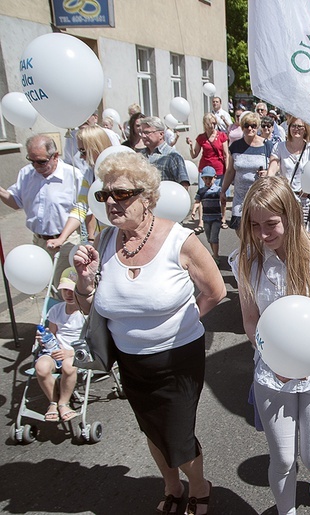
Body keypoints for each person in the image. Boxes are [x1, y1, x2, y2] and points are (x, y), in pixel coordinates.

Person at [72, 151, 225, 515]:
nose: (111, 202)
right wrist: (83, 280)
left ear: (147, 197)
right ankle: (172, 487)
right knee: (151, 429)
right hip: (130, 361)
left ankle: (199, 486)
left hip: (177, 358)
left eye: (121, 194)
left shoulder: (180, 240)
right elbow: (86, 306)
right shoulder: (106, 243)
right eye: (104, 195)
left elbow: (216, 291)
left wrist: (180, 322)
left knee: (176, 434)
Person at [231, 177, 310, 514]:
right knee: (282, 457)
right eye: (254, 225)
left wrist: (304, 357)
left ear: (292, 217)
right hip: (272, 372)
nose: (262, 235)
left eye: (271, 224)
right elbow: (251, 321)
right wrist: (277, 359)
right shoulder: (247, 262)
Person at [0, 135, 83, 290]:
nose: (36, 166)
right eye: (32, 161)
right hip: (39, 242)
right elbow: (16, 202)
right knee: (46, 288)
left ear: (55, 156)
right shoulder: (26, 174)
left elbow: (83, 210)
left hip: (65, 242)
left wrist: (66, 239)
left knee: (64, 289)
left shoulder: (72, 175)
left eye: (41, 162)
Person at [48, 125, 114, 248]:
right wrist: (62, 238)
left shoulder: (119, 171)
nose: (80, 156)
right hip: (104, 237)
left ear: (96, 148)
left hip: (122, 236)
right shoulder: (90, 173)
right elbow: (81, 207)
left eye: (83, 151)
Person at [35, 267, 83, 423]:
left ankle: (64, 403)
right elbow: (52, 334)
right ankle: (53, 402)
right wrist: (43, 339)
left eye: (72, 290)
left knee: (69, 366)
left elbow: (90, 341)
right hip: (55, 351)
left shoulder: (86, 313)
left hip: (76, 353)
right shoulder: (56, 310)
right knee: (41, 367)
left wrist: (69, 352)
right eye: (65, 290)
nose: (68, 294)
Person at [221, 111, 276, 232]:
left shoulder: (267, 145)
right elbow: (230, 171)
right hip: (240, 198)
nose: (250, 128)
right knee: (240, 231)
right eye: (246, 125)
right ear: (242, 127)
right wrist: (223, 190)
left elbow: (276, 168)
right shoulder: (235, 146)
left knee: (259, 232)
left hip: (260, 197)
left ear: (257, 127)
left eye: (253, 126)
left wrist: (267, 173)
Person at [267, 116, 310, 230]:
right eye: (293, 126)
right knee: (285, 233)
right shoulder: (279, 147)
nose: (296, 129)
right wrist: (268, 181)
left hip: (306, 199)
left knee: (303, 235)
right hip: (286, 197)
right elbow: (273, 166)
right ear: (289, 128)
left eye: (300, 126)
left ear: (305, 129)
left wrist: (308, 188)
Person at [139, 117, 190, 188]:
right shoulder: (140, 156)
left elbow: (184, 186)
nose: (143, 136)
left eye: (147, 132)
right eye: (141, 133)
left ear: (161, 134)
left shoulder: (172, 156)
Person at [186, 114, 229, 185]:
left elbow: (226, 155)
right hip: (205, 172)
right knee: (203, 194)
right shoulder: (201, 138)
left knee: (219, 194)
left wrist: (227, 170)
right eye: (210, 124)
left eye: (214, 123)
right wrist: (190, 146)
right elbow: (194, 155)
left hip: (218, 170)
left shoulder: (222, 136)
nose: (212, 126)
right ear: (205, 124)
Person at [192, 167, 222, 262]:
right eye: (206, 178)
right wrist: (194, 210)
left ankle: (216, 256)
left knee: (214, 237)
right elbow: (197, 201)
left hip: (216, 217)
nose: (208, 180)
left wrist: (223, 217)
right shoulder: (201, 191)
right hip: (206, 218)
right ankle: (214, 254)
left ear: (215, 178)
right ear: (202, 179)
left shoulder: (218, 190)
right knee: (209, 238)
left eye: (210, 178)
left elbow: (223, 201)